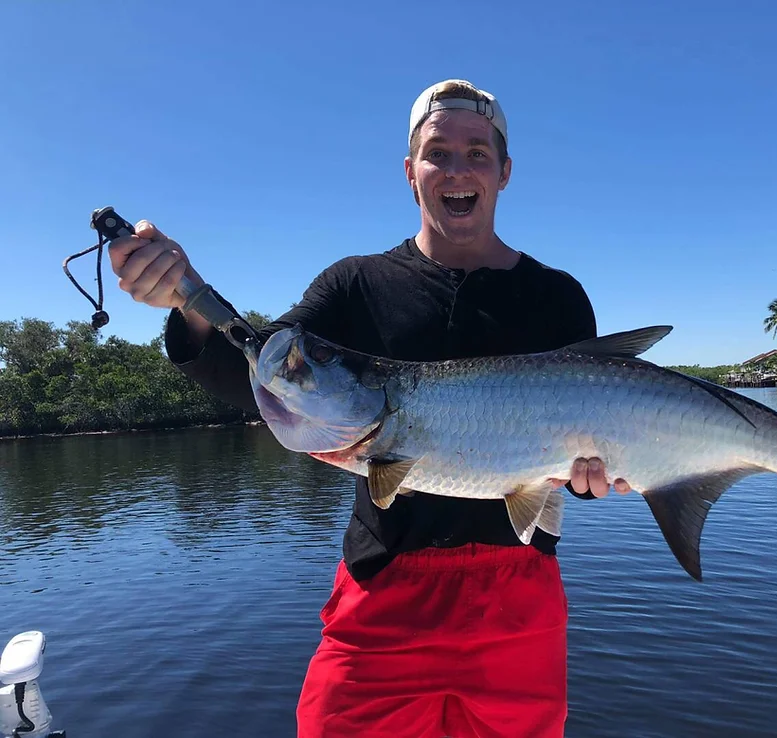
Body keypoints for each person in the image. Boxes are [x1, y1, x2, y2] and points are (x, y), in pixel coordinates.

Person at [109, 79, 631, 738]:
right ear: (411, 173)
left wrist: (592, 479)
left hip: (519, 596)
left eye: (477, 152)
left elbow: (573, 465)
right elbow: (266, 374)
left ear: (503, 171)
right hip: (384, 586)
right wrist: (187, 303)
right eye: (437, 152)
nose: (458, 168)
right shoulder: (353, 285)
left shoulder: (559, 299)